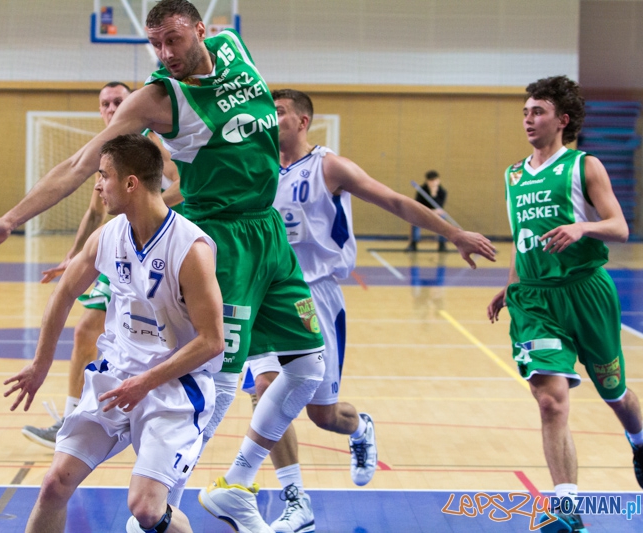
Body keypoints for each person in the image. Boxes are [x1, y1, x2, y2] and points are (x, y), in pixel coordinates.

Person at [0, 2, 328, 530]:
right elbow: (80, 164)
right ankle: (156, 510)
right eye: (156, 44)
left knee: (309, 367)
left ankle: (236, 487)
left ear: (201, 30)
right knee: (216, 374)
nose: (166, 54)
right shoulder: (156, 100)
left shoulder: (232, 47)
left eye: (175, 40)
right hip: (221, 238)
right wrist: (10, 220)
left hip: (267, 228)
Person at [239, 89, 496, 533]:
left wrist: (453, 233)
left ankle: (359, 427)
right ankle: (296, 500)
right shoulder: (253, 167)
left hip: (314, 295)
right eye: (266, 113)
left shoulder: (329, 166)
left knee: (323, 415)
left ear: (302, 122)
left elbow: (394, 200)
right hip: (265, 295)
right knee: (264, 391)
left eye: (278, 113)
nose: (270, 119)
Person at [4, 133, 225, 533]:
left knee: (145, 509)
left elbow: (212, 342)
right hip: (115, 377)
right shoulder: (107, 236)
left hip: (173, 388)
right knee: (54, 484)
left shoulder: (190, 248)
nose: (97, 185)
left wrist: (146, 382)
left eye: (103, 175)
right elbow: (64, 292)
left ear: (131, 183)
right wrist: (40, 364)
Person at [487, 75, 643, 533]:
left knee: (614, 393)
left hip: (586, 292)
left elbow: (619, 227)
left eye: (538, 112)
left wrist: (582, 228)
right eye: (525, 112)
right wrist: (511, 284)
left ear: (563, 119)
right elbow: (523, 238)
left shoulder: (584, 165)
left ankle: (638, 439)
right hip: (535, 299)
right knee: (551, 401)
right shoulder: (513, 174)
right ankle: (568, 512)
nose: (529, 119)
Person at [22, 82, 183, 449]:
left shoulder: (152, 144)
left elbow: (186, 185)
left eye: (119, 101)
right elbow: (96, 212)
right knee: (86, 332)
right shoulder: (109, 153)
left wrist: (147, 205)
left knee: (149, 337)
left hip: (154, 243)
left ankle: (133, 415)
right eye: (105, 103)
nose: (111, 108)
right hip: (121, 244)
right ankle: (74, 417)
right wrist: (74, 256)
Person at [406, 170, 448, 252]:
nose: (433, 182)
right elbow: (418, 205)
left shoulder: (442, 192)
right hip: (423, 213)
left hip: (436, 214)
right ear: (427, 181)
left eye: (434, 180)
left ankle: (442, 244)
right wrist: (430, 211)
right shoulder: (421, 190)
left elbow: (439, 207)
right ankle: (413, 244)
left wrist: (433, 194)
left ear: (438, 180)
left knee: (443, 217)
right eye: (430, 180)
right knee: (414, 219)